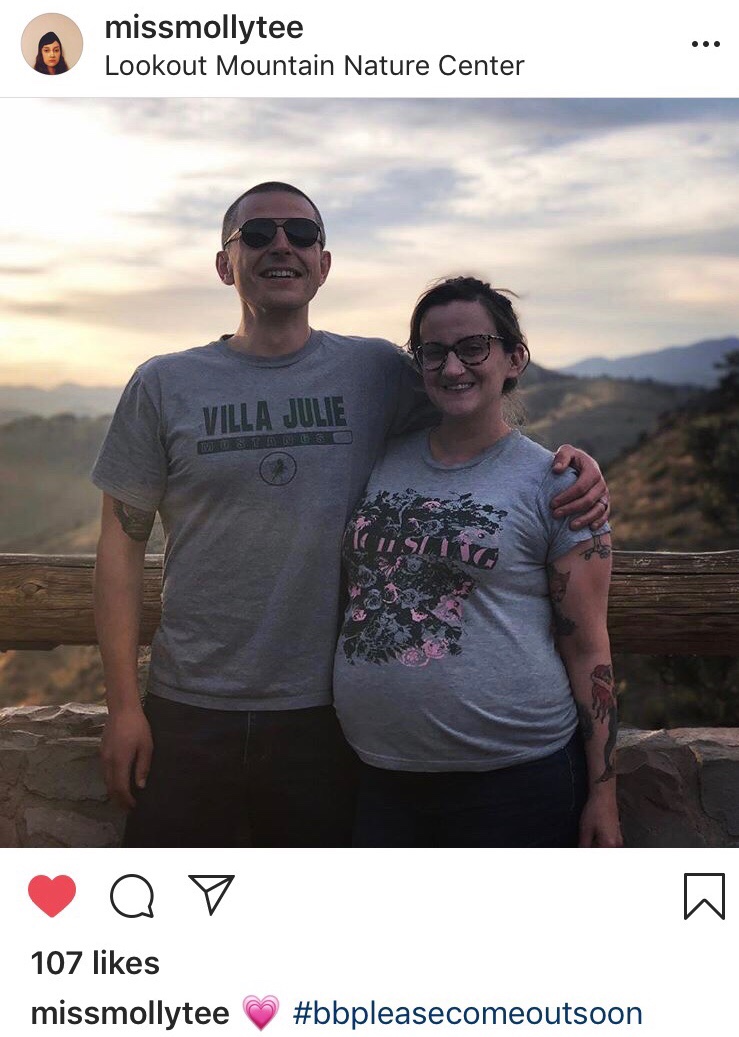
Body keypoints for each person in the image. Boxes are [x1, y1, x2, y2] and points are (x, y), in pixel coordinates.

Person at [92, 182, 612, 848]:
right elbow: (119, 546)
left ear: (324, 263)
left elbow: (473, 407)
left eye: (302, 234)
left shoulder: (375, 370)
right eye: (258, 234)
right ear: (225, 264)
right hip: (187, 704)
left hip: (327, 719)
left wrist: (567, 464)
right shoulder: (163, 384)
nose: (282, 245)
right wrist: (123, 707)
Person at [333, 277, 622, 848]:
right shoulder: (380, 460)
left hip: (515, 779)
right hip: (380, 775)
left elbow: (588, 648)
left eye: (473, 348)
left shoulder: (556, 484)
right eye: (434, 352)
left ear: (514, 358)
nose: (452, 367)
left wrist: (604, 792)